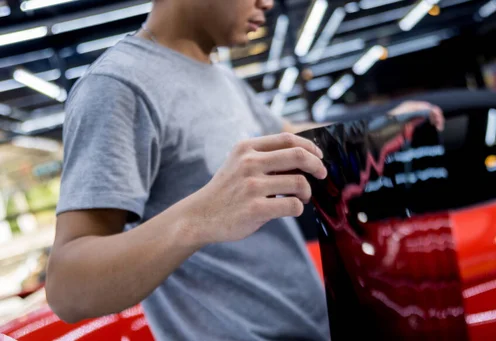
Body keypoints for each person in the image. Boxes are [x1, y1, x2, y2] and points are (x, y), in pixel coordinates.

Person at [45, 0, 442, 340]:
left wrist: (384, 124)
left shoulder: (219, 76)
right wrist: (201, 215)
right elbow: (67, 288)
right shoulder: (118, 85)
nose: (268, 3)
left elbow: (287, 138)